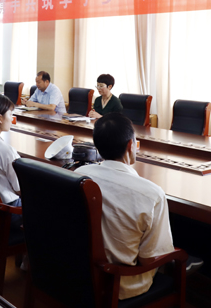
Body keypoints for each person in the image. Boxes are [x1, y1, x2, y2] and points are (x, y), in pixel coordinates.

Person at [76, 113, 175, 300]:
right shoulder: (152, 194)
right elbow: (149, 258)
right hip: (118, 283)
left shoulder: (80, 174)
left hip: (78, 272)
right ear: (131, 145)